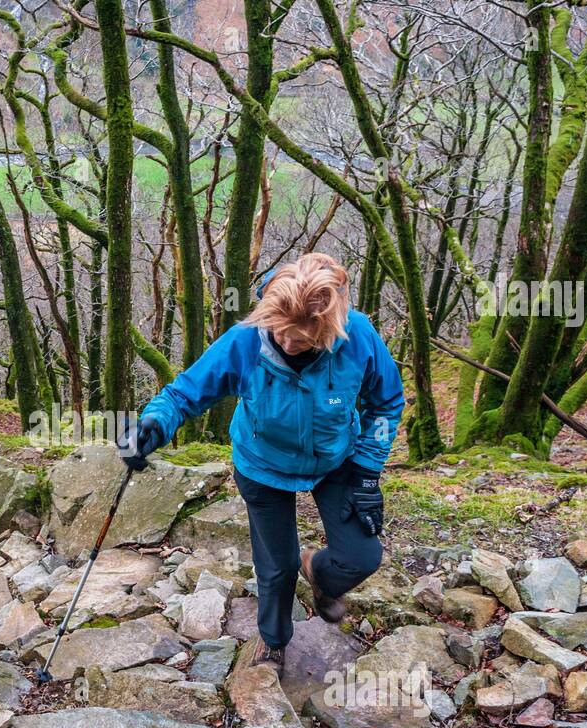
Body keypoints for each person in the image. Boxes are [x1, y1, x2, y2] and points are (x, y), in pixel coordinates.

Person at [120, 253, 404, 669]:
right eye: (282, 333)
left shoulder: (357, 338)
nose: (288, 344)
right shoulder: (245, 341)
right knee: (277, 568)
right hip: (262, 464)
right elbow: (184, 394)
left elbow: (388, 402)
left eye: (303, 340)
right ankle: (273, 641)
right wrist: (151, 427)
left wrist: (366, 472)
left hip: (337, 457)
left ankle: (322, 577)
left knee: (362, 557)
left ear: (328, 328)